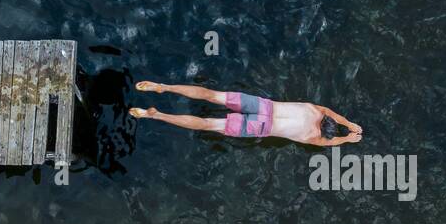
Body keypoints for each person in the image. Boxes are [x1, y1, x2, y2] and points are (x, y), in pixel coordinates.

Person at [129, 80, 362, 147]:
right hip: (260, 128)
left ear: (326, 120)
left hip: (263, 106)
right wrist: (347, 139)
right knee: (207, 124)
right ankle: (156, 115)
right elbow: (328, 144)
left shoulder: (315, 110)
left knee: (211, 95)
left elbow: (331, 112)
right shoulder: (312, 137)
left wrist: (349, 123)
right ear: (324, 133)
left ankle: (164, 87)